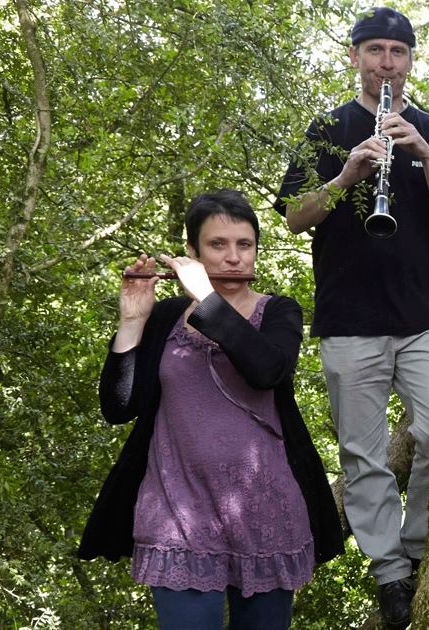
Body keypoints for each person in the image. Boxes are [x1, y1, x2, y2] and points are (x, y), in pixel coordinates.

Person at [273, 7, 429, 628]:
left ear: (410, 60)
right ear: (355, 55)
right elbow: (295, 217)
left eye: (397, 52)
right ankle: (390, 573)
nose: (387, 62)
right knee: (363, 453)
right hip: (349, 316)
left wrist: (425, 153)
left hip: (424, 314)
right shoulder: (326, 130)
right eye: (375, 50)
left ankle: (415, 548)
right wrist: (349, 173)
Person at [78, 189, 344, 629]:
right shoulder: (164, 317)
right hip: (176, 512)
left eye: (245, 244)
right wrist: (131, 320)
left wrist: (207, 299)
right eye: (217, 245)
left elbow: (267, 371)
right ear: (192, 252)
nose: (234, 257)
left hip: (265, 510)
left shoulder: (278, 312)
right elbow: (119, 406)